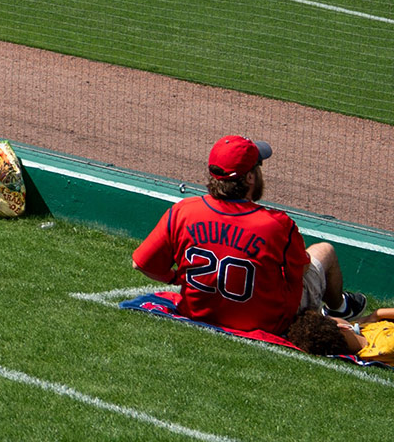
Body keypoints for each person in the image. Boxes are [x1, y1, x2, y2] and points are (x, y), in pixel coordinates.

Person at [132, 136, 317, 337]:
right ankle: (339, 307)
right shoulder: (277, 224)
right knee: (324, 252)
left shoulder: (184, 211)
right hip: (266, 324)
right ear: (250, 178)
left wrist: (174, 279)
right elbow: (302, 269)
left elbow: (141, 264)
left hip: (197, 313)